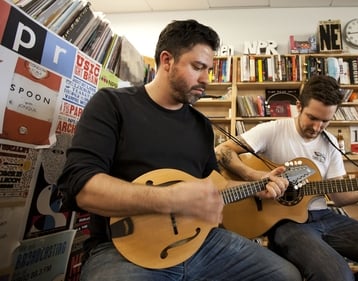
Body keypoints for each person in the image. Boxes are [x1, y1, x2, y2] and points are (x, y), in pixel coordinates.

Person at [57, 19, 302, 281]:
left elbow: (211, 186)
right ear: (167, 60)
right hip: (121, 249)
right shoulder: (112, 105)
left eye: (208, 69)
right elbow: (83, 189)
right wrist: (171, 198)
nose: (205, 79)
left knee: (285, 275)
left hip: (201, 243)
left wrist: (257, 183)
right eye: (197, 67)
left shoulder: (201, 126)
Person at [215, 75, 358, 281]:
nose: (317, 128)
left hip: (325, 217)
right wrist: (257, 177)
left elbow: (340, 197)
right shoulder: (272, 130)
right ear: (299, 106)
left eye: (325, 121)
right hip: (286, 224)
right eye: (312, 117)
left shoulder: (330, 144)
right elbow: (222, 151)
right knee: (337, 277)